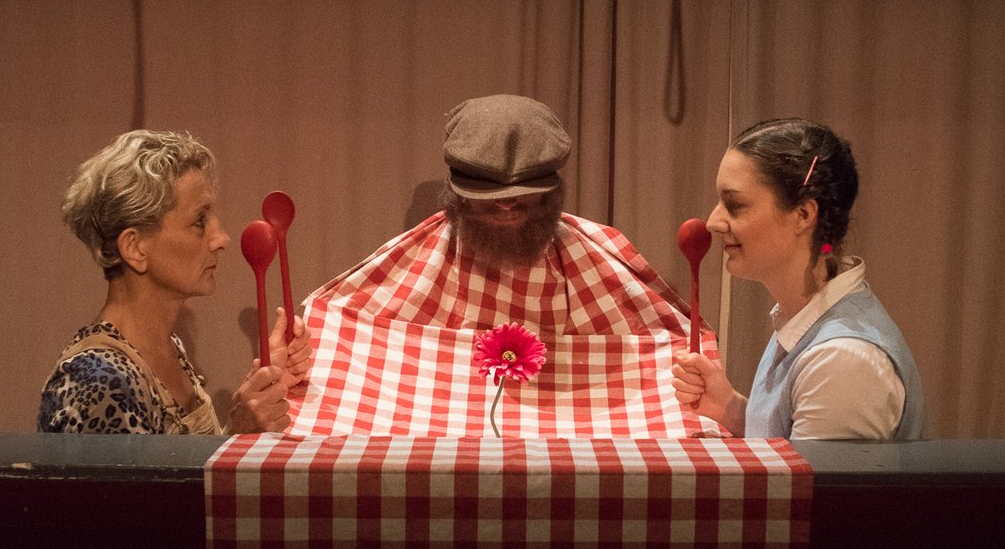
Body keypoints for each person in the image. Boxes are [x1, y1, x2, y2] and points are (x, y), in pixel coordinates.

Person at [294, 94, 717, 438]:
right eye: (488, 195)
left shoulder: (600, 250)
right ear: (456, 192)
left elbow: (667, 342)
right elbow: (347, 325)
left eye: (526, 192)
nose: (509, 204)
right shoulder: (415, 257)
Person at [38, 129, 311, 435]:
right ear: (135, 248)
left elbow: (180, 464)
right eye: (199, 222)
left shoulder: (165, 348)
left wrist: (263, 382)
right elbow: (149, 485)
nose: (222, 239)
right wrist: (235, 435)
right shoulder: (98, 382)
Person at [672, 118, 924, 440]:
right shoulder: (804, 313)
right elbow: (787, 450)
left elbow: (806, 490)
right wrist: (728, 407)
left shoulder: (841, 364)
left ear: (803, 214)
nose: (713, 222)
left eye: (734, 204)